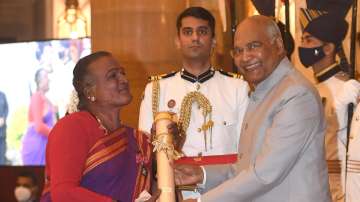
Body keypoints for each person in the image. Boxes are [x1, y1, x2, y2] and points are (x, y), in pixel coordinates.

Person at [174, 15, 331, 202]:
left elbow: (264, 174)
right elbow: (246, 168)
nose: (245, 57)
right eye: (238, 50)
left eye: (254, 46)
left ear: (278, 45)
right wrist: (201, 174)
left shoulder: (296, 94)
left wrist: (203, 201)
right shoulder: (264, 91)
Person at [138, 6, 249, 199]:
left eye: (202, 31)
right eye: (187, 32)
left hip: (226, 192)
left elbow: (247, 150)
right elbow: (144, 155)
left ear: (213, 40)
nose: (195, 38)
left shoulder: (237, 88)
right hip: (177, 193)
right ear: (177, 41)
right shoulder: (156, 89)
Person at [40, 51, 158, 202]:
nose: (123, 80)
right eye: (112, 76)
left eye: (122, 73)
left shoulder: (136, 138)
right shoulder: (72, 127)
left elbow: (152, 187)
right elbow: (63, 194)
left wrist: (166, 143)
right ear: (90, 92)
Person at [298, 9, 351, 201]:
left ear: (328, 48)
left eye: (309, 40)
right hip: (312, 182)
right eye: (302, 39)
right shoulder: (313, 88)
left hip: (340, 187)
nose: (302, 46)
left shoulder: (348, 90)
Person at [22, 69, 56, 165]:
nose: (49, 79)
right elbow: (39, 127)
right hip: (36, 147)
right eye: (46, 77)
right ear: (39, 81)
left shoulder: (47, 100)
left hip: (46, 145)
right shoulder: (36, 97)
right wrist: (56, 135)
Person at [0, 90, 8, 164]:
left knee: (2, 157)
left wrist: (4, 118)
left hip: (2, 133)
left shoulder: (2, 95)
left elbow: (6, 109)